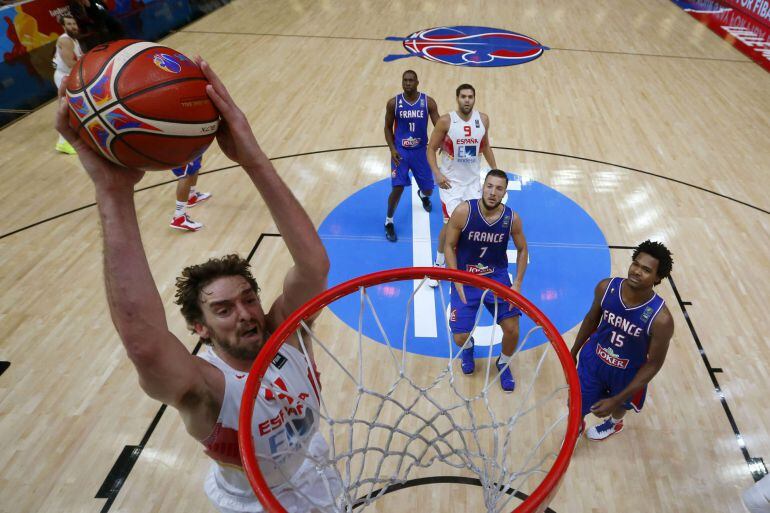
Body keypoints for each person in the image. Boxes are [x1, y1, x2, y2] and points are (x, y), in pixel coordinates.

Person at [55, 59, 339, 512]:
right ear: (199, 328)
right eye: (223, 309)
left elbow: (314, 267)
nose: (246, 313)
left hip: (314, 471)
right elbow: (145, 343)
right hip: (252, 503)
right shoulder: (206, 388)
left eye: (249, 299)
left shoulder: (287, 335)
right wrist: (113, 192)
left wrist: (252, 157)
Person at [570, 240, 675, 441]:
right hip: (594, 359)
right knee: (577, 402)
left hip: (627, 372)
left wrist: (616, 399)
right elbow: (591, 319)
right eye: (635, 264)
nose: (636, 271)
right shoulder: (606, 287)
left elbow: (653, 364)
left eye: (646, 270)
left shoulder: (661, 320)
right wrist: (573, 351)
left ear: (658, 278)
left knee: (619, 407)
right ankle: (576, 424)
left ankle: (613, 423)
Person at [444, 169, 528, 392]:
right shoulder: (464, 211)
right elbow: (448, 246)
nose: (493, 192)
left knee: (512, 329)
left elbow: (522, 249)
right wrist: (456, 278)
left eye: (498, 188)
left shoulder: (512, 218)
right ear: (483, 186)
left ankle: (503, 362)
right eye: (489, 186)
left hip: (496, 278)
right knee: (460, 336)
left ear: (504, 193)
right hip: (465, 277)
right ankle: (469, 348)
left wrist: (517, 283)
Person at [426, 83, 497, 285]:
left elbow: (485, 146)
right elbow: (430, 149)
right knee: (450, 226)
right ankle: (438, 264)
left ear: (474, 99)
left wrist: (494, 170)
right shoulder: (445, 121)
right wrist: (437, 174)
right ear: (457, 98)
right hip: (451, 184)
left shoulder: (483, 120)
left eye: (470, 97)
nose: (467, 100)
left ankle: (470, 263)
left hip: (473, 183)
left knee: (472, 225)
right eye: (463, 96)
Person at [383, 70, 439, 242]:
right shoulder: (394, 103)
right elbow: (387, 127)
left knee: (429, 190)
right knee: (398, 187)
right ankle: (389, 221)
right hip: (401, 151)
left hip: (421, 151)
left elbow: (439, 126)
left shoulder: (428, 102)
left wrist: (442, 144)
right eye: (405, 80)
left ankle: (422, 195)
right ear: (402, 82)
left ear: (417, 82)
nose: (407, 83)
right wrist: (392, 149)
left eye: (411, 80)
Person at [52, 15, 82, 155]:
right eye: (69, 24)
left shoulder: (73, 39)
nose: (73, 26)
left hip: (70, 76)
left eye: (74, 23)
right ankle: (62, 143)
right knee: (66, 111)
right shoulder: (65, 40)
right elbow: (70, 63)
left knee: (74, 109)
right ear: (63, 26)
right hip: (64, 78)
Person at [170, 155, 211, 232]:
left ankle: (191, 196)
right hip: (175, 146)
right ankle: (179, 218)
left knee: (196, 158)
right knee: (185, 174)